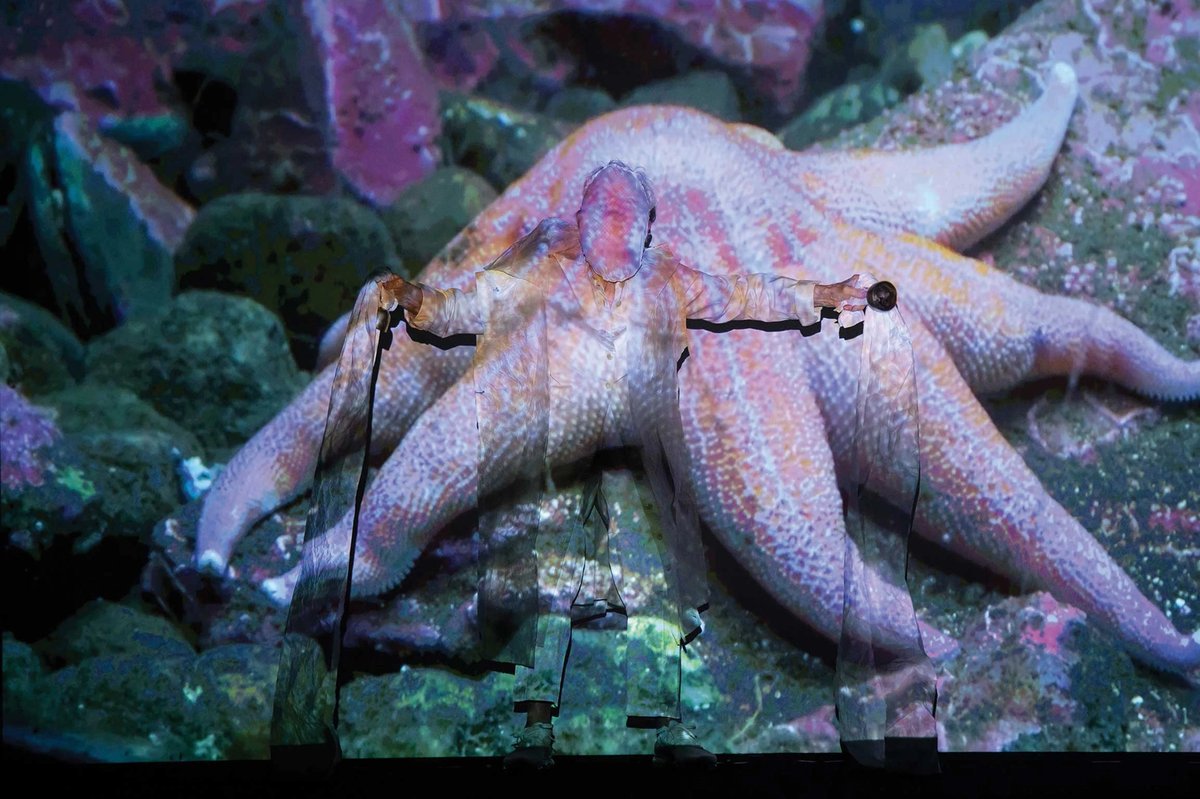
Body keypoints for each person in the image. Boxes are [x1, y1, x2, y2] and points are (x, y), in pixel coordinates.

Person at [376, 161, 866, 769]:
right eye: (599, 217)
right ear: (579, 220)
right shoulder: (543, 272)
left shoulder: (668, 278)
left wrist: (820, 295)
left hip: (641, 475)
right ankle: (537, 733)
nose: (611, 234)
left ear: (649, 227)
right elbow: (467, 305)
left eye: (626, 219)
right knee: (548, 598)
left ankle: (664, 726)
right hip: (552, 477)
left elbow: (747, 294)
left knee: (658, 603)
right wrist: (418, 303)